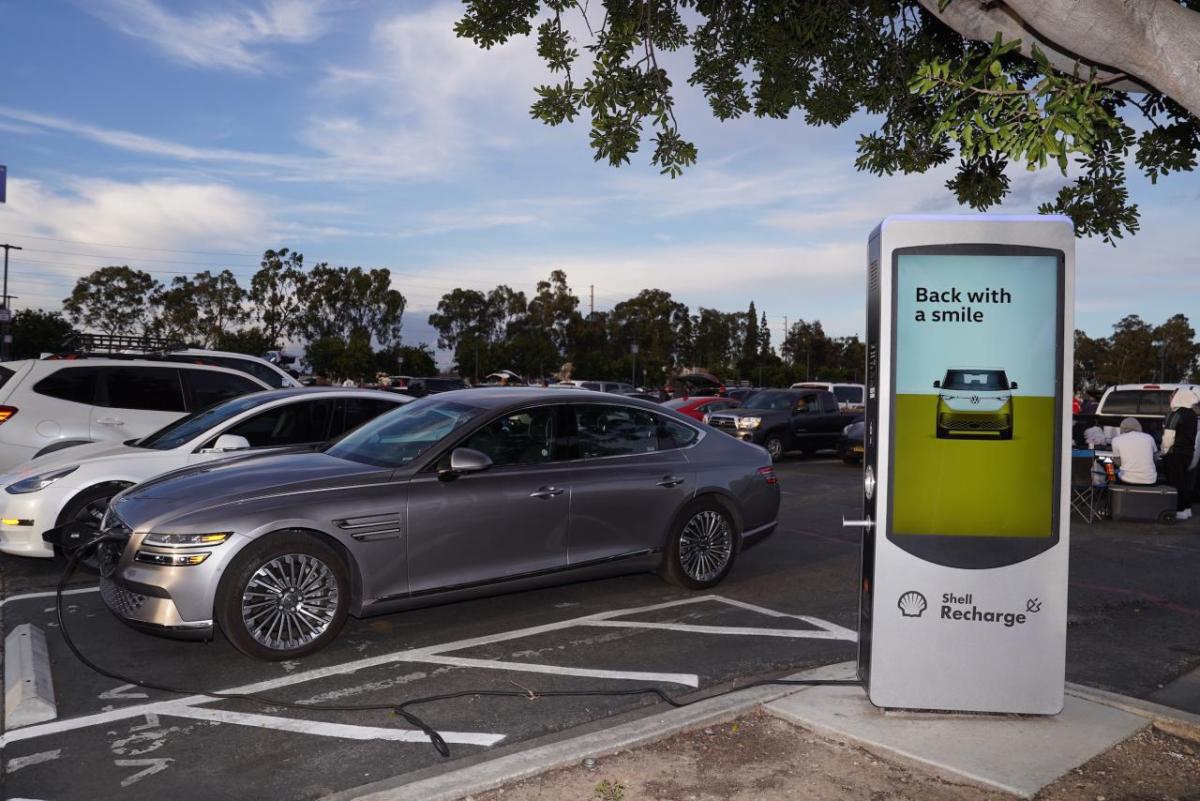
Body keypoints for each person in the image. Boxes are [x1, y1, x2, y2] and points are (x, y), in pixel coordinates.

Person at [1161, 388, 1199, 520]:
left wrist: (1163, 452)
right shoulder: (1193, 414)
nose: (1170, 398)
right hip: (1188, 453)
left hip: (1174, 453)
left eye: (1172, 395)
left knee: (1176, 482)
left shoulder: (1175, 414)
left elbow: (1168, 437)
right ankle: (1186, 508)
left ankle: (1179, 509)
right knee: (1184, 481)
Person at [1110, 417, 1158, 485]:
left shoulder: (1116, 439)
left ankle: (1110, 489)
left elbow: (1118, 463)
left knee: (1109, 469)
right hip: (1150, 479)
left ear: (1122, 427)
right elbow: (1155, 458)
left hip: (1126, 479)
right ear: (1139, 426)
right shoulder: (1149, 437)